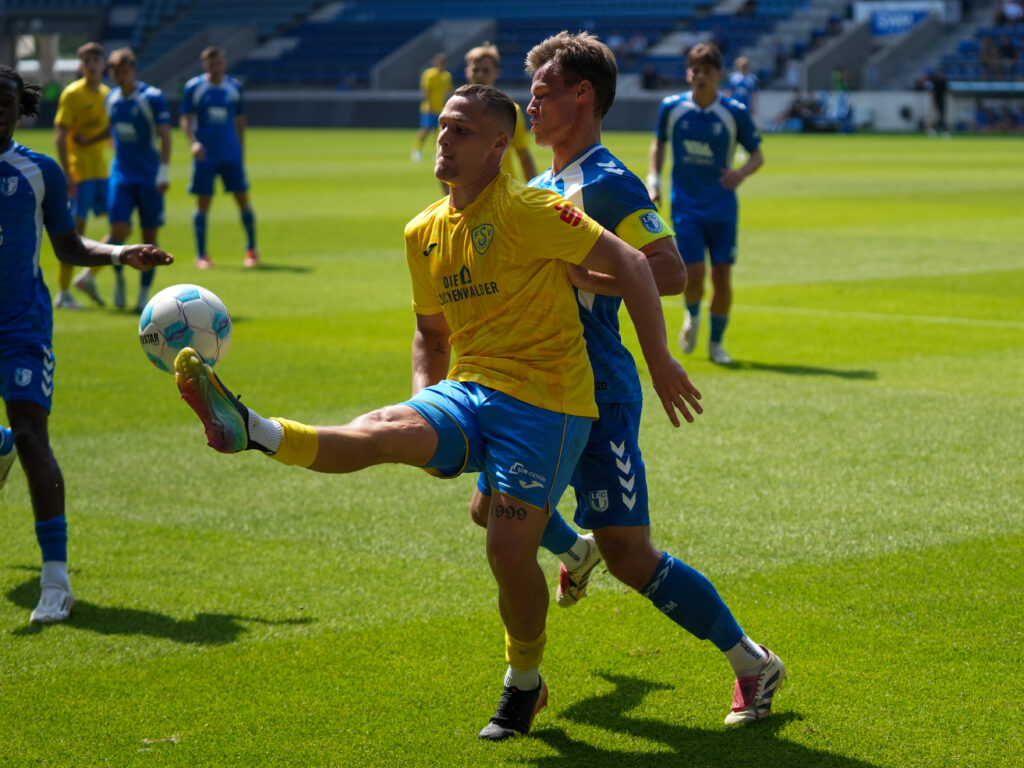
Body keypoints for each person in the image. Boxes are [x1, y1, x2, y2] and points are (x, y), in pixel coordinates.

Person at [171, 83, 702, 741]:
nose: (444, 140)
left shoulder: (533, 208)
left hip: (546, 403)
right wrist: (425, 399)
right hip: (471, 389)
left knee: (507, 550)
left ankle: (524, 683)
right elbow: (430, 334)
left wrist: (661, 360)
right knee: (385, 428)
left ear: (498, 147)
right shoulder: (422, 231)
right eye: (443, 127)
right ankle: (253, 429)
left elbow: (633, 262)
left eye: (461, 132)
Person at [469, 30, 785, 728]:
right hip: (540, 384)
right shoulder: (545, 184)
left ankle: (753, 664)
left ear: (583, 96)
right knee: (491, 506)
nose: (531, 105)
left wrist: (579, 275)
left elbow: (667, 268)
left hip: (599, 390)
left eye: (543, 94)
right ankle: (572, 560)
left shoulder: (608, 180)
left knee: (632, 556)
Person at [0, 65, 173, 623]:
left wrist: (122, 253)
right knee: (13, 437)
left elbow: (69, 246)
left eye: (5, 101)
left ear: (19, 108)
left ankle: (56, 578)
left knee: (32, 435)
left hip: (21, 325)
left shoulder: (38, 171)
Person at [648, 42, 764, 365]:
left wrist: (740, 173)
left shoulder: (734, 113)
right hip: (685, 206)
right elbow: (658, 143)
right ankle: (693, 315)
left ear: (718, 75)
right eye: (695, 70)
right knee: (694, 274)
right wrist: (653, 180)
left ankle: (716, 344)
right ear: (689, 73)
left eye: (707, 71)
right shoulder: (672, 108)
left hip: (722, 207)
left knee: (723, 278)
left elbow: (757, 155)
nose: (700, 77)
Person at [104, 47, 172, 313]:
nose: (121, 76)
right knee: (118, 231)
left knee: (149, 237)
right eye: (116, 71)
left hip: (149, 178)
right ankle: (119, 279)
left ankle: (144, 294)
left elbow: (165, 135)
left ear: (133, 69)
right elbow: (113, 133)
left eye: (125, 70)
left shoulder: (152, 98)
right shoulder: (110, 99)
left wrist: (164, 171)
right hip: (121, 175)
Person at [180, 46, 259, 270]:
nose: (216, 67)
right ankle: (202, 254)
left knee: (242, 198)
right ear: (205, 65)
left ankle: (252, 249)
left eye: (219, 63)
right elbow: (185, 118)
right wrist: (193, 142)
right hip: (205, 154)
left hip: (230, 152)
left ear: (224, 63)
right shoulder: (194, 87)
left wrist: (241, 150)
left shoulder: (234, 87)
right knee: (203, 202)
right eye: (211, 64)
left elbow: (240, 121)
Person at [53, 42, 110, 309]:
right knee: (75, 234)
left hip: (103, 172)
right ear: (81, 65)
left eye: (96, 60)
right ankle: (63, 293)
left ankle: (88, 277)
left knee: (120, 227)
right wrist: (67, 172)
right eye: (87, 60)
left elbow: (111, 132)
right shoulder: (72, 94)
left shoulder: (108, 94)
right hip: (81, 173)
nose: (92, 65)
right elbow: (61, 134)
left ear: (103, 64)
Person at [463, 43, 537, 182]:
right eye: (475, 70)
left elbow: (523, 155)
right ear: (467, 71)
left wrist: (535, 193)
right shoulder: (455, 112)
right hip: (469, 196)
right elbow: (444, 158)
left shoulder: (510, 110)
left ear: (497, 73)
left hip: (504, 194)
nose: (479, 75)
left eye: (485, 70)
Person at [411, 52, 452, 163]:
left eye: (444, 62)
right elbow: (426, 91)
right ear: (435, 62)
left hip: (441, 108)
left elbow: (448, 92)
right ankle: (417, 150)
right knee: (426, 129)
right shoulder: (429, 74)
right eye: (440, 62)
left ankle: (437, 152)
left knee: (439, 132)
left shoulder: (447, 76)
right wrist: (429, 105)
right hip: (429, 108)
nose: (442, 64)